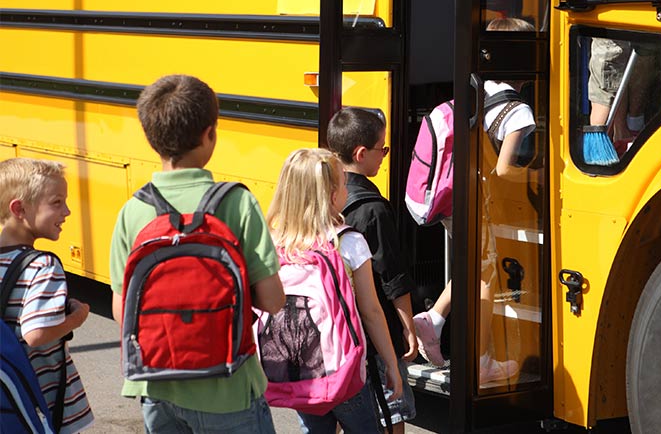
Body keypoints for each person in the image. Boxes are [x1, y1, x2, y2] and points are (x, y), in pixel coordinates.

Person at [108, 74, 286, 433]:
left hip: (157, 386)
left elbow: (121, 309)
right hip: (229, 386)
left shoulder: (134, 210)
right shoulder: (237, 202)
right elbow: (272, 301)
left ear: (150, 138)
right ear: (210, 134)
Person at [412, 16, 534, 386]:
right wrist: (538, 176)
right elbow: (502, 170)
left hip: (456, 198)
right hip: (482, 204)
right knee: (485, 279)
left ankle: (433, 319)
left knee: (473, 267)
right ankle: (480, 361)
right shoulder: (519, 111)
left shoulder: (480, 88)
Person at [267, 147, 403, 433]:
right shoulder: (348, 242)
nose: (346, 190)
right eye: (343, 184)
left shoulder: (274, 242)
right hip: (344, 374)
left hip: (297, 369)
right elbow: (371, 311)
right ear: (331, 196)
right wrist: (392, 363)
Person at [327, 107, 419, 432]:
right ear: (362, 153)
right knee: (392, 418)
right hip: (375, 339)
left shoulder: (326, 200)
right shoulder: (373, 210)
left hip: (337, 336)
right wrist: (408, 328)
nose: (385, 155)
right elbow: (392, 277)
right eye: (383, 148)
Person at [0, 157, 94, 433]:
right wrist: (77, 318)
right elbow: (36, 333)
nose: (67, 211)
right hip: (42, 402)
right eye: (56, 202)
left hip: (9, 400)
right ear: (19, 208)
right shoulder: (43, 265)